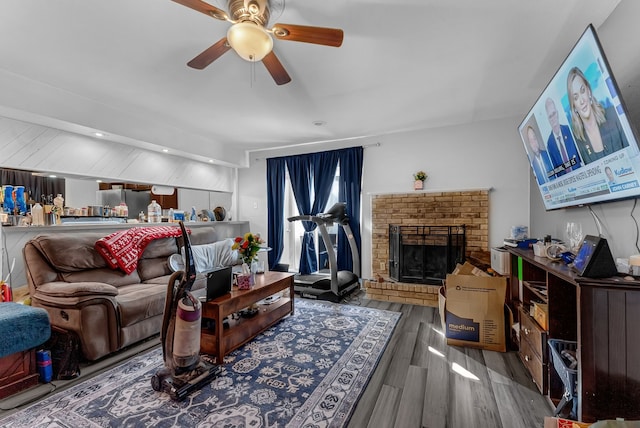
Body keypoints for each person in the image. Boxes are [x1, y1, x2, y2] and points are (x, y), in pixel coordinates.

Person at [567, 67, 629, 164]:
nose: (582, 100)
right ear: (573, 105)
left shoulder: (613, 114)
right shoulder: (577, 142)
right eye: (575, 97)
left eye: (582, 91)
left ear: (589, 92)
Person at [545, 97, 582, 175]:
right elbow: (555, 171)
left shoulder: (569, 130)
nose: (553, 118)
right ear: (548, 119)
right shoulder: (549, 144)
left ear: (557, 113)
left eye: (554, 113)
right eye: (550, 116)